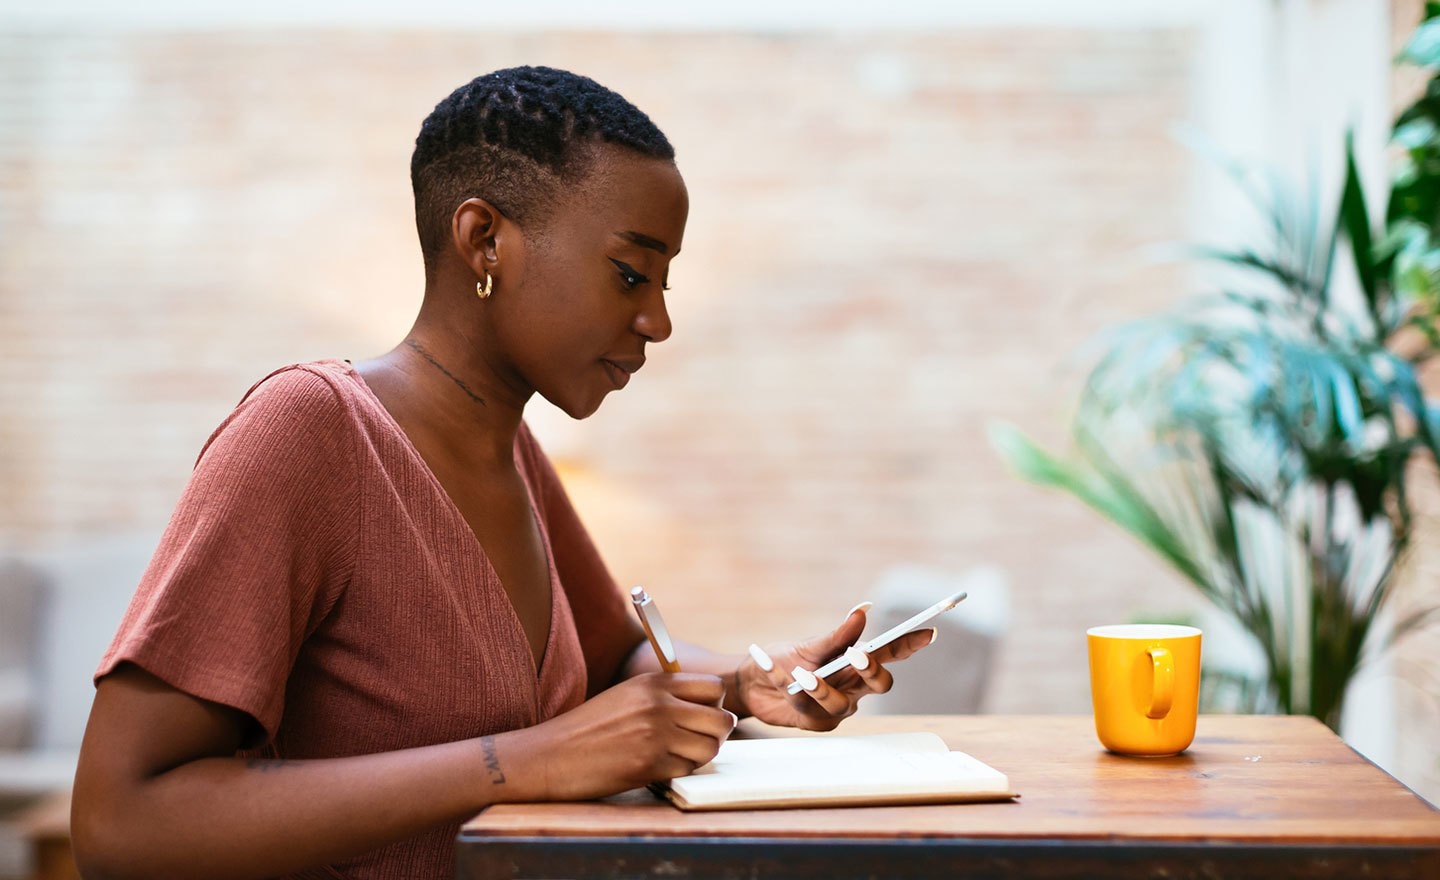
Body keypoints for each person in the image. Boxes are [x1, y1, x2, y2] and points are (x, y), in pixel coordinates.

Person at [70, 66, 937, 880]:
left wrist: (749, 684)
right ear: (485, 239)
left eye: (665, 282)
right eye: (631, 272)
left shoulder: (510, 447)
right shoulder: (309, 432)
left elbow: (618, 658)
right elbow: (121, 820)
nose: (658, 321)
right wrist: (525, 763)